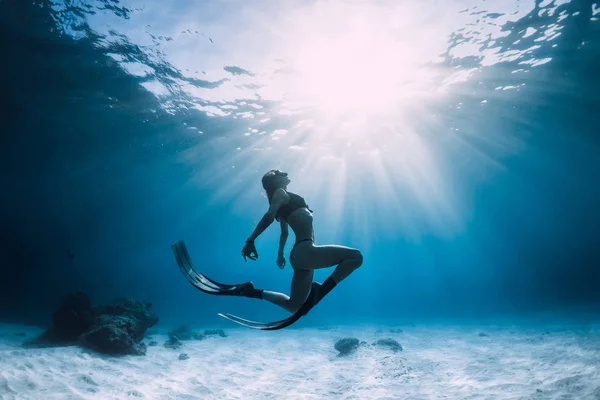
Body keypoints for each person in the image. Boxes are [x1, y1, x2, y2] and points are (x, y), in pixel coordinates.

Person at [236, 169, 364, 314]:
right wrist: (250, 240)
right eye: (281, 173)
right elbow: (269, 216)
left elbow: (284, 233)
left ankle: (252, 292)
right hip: (305, 251)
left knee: (294, 307)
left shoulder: (283, 200)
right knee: (356, 257)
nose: (285, 174)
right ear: (274, 180)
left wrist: (280, 254)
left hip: (300, 256)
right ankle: (322, 289)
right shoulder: (280, 192)